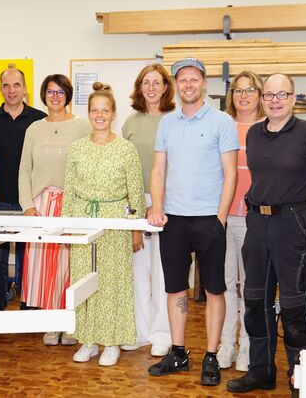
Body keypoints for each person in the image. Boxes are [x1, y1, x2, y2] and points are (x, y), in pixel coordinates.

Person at [227, 73, 306, 396]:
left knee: (293, 309)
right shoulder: (254, 133)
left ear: (293, 98)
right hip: (257, 227)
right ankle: (261, 372)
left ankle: (300, 377)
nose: (275, 100)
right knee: (255, 302)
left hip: (294, 229)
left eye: (282, 94)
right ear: (262, 99)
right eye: (269, 95)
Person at [147, 57, 239, 386]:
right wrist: (157, 206)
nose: (188, 85)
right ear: (176, 85)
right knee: (176, 289)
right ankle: (179, 353)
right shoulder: (167, 124)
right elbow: (158, 170)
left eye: (194, 79)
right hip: (173, 219)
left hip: (208, 220)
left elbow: (230, 174)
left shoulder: (222, 122)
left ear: (203, 84)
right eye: (182, 80)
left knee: (215, 290)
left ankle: (211, 356)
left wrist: (220, 218)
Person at [63, 82, 145, 367]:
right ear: (88, 114)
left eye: (105, 111)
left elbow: (135, 192)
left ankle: (111, 341)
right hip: (82, 219)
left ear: (113, 114)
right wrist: (65, 227)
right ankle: (87, 339)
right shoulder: (77, 148)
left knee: (113, 283)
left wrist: (135, 228)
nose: (100, 115)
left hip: (115, 222)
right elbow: (69, 188)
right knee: (83, 280)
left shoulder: (126, 149)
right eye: (95, 110)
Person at [18, 74, 91, 346]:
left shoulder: (82, 126)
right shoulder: (34, 129)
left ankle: (71, 322)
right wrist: (27, 205)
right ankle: (51, 323)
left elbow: (89, 166)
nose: (55, 96)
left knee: (71, 267)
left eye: (60, 92)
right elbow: (24, 169)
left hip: (72, 204)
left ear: (68, 95)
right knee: (45, 269)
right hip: (41, 206)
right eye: (50, 92)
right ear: (43, 95)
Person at [0, 67, 47, 311]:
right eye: (6, 86)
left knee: (27, 259)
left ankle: (28, 306)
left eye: (16, 85)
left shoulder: (39, 118)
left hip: (28, 200)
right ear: (0, 89)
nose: (11, 90)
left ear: (25, 88)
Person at [120, 63, 175, 357]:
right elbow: (122, 166)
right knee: (137, 271)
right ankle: (139, 331)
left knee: (164, 271)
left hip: (165, 201)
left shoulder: (175, 119)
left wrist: (159, 201)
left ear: (166, 87)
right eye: (146, 83)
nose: (151, 88)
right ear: (139, 87)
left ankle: (161, 334)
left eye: (157, 83)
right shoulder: (131, 122)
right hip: (134, 203)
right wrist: (132, 205)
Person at [217, 71, 266, 372]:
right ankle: (226, 345)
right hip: (223, 217)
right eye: (238, 90)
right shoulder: (223, 126)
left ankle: (247, 347)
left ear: (260, 95)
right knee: (222, 285)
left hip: (254, 221)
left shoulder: (267, 128)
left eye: (250, 90)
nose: (244, 95)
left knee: (251, 287)